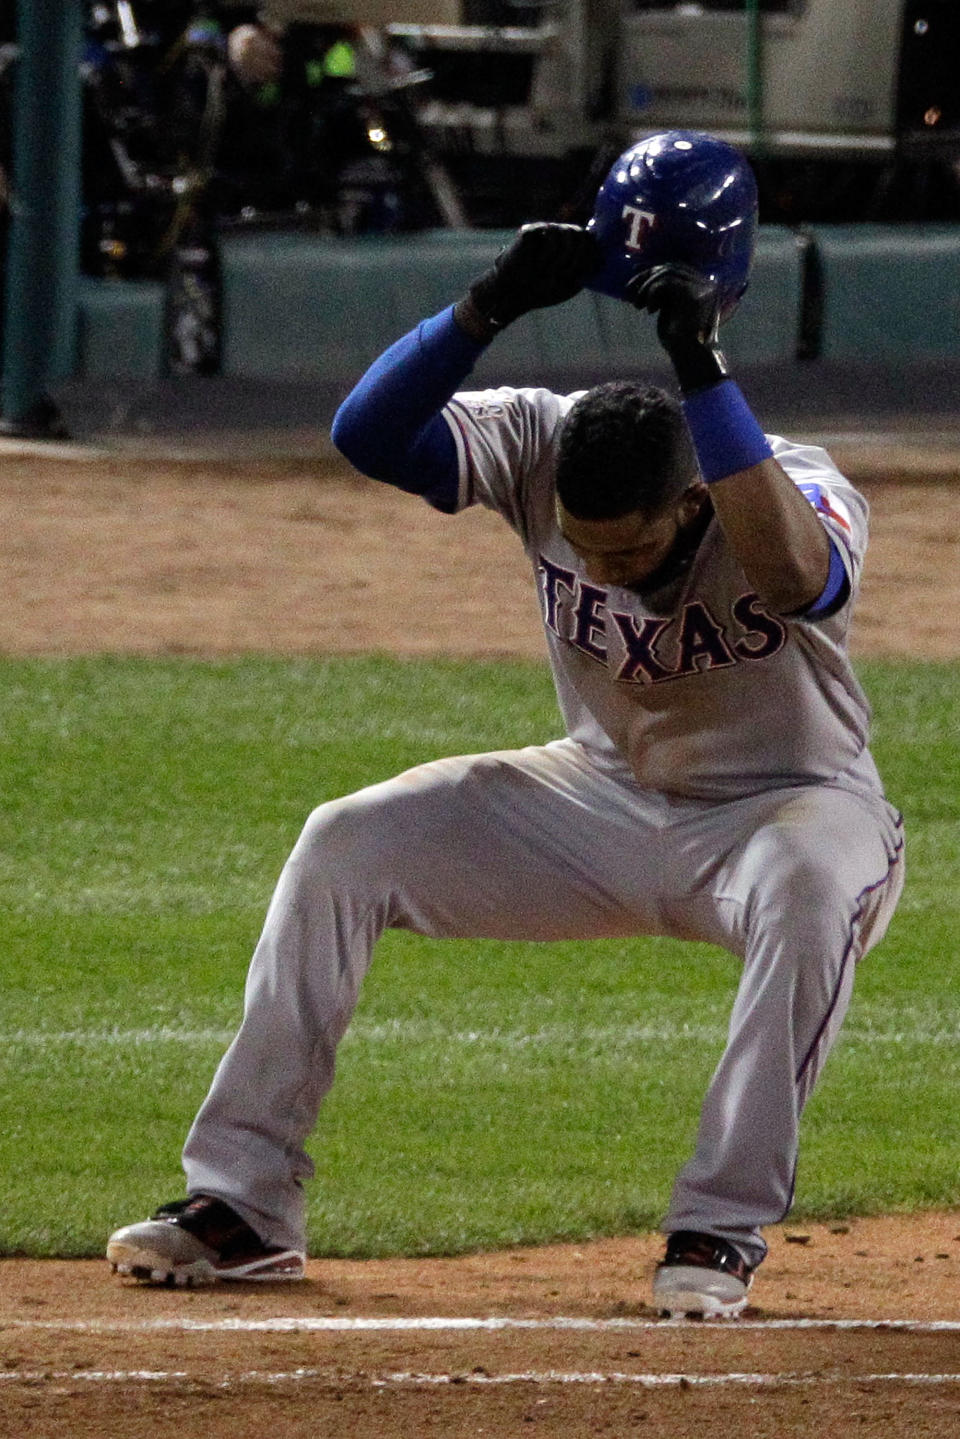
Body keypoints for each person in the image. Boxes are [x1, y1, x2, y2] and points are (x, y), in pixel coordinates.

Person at [106, 215, 904, 1318]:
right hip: (600, 795)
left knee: (812, 897)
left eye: (630, 551)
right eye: (589, 552)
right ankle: (241, 1207)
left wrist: (701, 364)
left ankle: (717, 1228)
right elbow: (370, 433)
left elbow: (791, 574)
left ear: (691, 501)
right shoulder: (543, 438)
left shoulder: (790, 484)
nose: (609, 575)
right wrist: (486, 303)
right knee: (347, 841)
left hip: (791, 809)